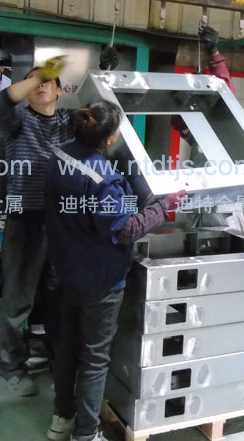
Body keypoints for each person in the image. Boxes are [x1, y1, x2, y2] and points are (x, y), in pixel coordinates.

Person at [44, 100, 186, 441]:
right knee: (94, 360)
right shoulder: (103, 179)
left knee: (67, 350)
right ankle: (86, 434)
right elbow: (126, 228)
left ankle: (61, 419)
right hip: (100, 281)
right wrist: (164, 207)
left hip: (66, 271)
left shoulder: (59, 155)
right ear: (109, 138)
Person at [0, 47, 118, 396]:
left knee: (58, 297)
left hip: (63, 224)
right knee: (18, 300)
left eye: (48, 81)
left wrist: (106, 74)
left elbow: (103, 117)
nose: (41, 85)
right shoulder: (17, 123)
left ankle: (57, 361)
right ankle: (12, 368)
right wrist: (39, 74)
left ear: (60, 90)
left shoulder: (69, 123)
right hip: (25, 222)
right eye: (34, 81)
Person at [173, 24, 244, 232]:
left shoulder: (227, 125)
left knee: (227, 249)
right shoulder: (199, 135)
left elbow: (225, 92)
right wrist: (183, 98)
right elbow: (178, 122)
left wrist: (214, 55)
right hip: (198, 208)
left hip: (224, 211)